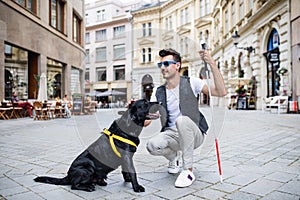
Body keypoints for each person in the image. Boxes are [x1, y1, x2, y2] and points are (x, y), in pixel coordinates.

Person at [146, 48, 226, 188]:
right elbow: (148, 121)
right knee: (152, 145)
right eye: (161, 65)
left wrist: (212, 64)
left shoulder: (191, 82)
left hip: (194, 133)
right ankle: (174, 158)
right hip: (172, 134)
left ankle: (188, 171)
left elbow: (221, 92)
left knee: (181, 120)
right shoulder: (158, 91)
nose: (163, 68)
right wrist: (137, 111)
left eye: (167, 64)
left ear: (177, 65)